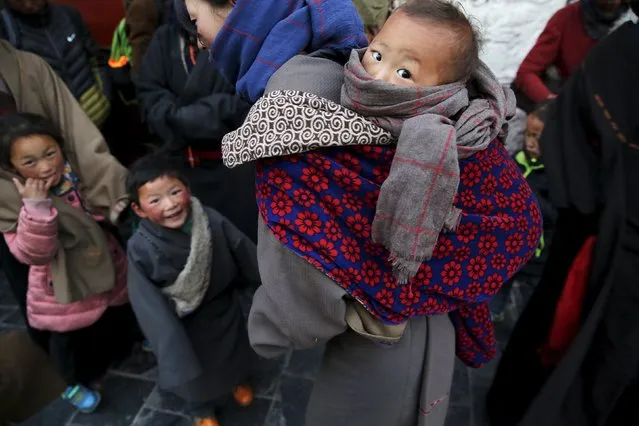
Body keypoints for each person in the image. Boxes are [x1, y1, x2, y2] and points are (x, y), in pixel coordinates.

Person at [178, 0, 540, 425]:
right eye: (378, 54)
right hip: (422, 317)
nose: (381, 75)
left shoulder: (290, 105)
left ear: (241, 12)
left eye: (195, 18)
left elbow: (298, 290)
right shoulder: (338, 66)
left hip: (395, 329)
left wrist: (289, 324)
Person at [487, 8, 639, 426]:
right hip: (585, 170)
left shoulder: (620, 39)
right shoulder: (596, 37)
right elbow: (530, 71)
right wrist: (558, 106)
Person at [0, 113, 131, 413]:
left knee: (116, 310)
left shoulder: (75, 174)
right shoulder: (12, 202)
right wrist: (36, 208)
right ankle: (68, 383)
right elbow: (31, 253)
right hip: (59, 284)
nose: (46, 166)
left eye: (50, 153)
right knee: (66, 341)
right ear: (11, 168)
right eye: (29, 162)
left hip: (102, 262)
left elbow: (96, 208)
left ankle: (128, 344)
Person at [126, 154, 258, 426]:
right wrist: (168, 342)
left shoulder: (210, 219)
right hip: (184, 324)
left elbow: (244, 252)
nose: (171, 204)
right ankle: (202, 410)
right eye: (155, 200)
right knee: (194, 373)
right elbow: (147, 303)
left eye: (175, 192)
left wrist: (268, 284)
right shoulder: (140, 248)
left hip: (224, 309)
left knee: (235, 353)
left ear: (188, 189)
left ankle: (236, 382)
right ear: (138, 210)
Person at [136, 14, 256, 241]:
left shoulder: (241, 36)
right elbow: (150, 98)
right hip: (186, 167)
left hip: (238, 171)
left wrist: (182, 116)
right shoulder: (165, 39)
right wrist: (212, 111)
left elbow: (245, 102)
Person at [490, 102, 557, 321]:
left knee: (528, 303)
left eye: (538, 137)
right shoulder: (516, 160)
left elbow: (553, 214)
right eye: (529, 134)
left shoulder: (554, 177)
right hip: (506, 242)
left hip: (535, 254)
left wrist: (527, 195)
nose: (531, 142)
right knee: (500, 286)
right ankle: (492, 315)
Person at [0, 0, 111, 128]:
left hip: (99, 116)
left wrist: (106, 96)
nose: (28, 4)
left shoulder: (68, 14)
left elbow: (96, 59)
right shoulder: (6, 32)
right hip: (56, 128)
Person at [513, 0, 627, 112]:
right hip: (572, 101)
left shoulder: (632, 25)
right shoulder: (567, 17)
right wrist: (551, 102)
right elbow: (527, 72)